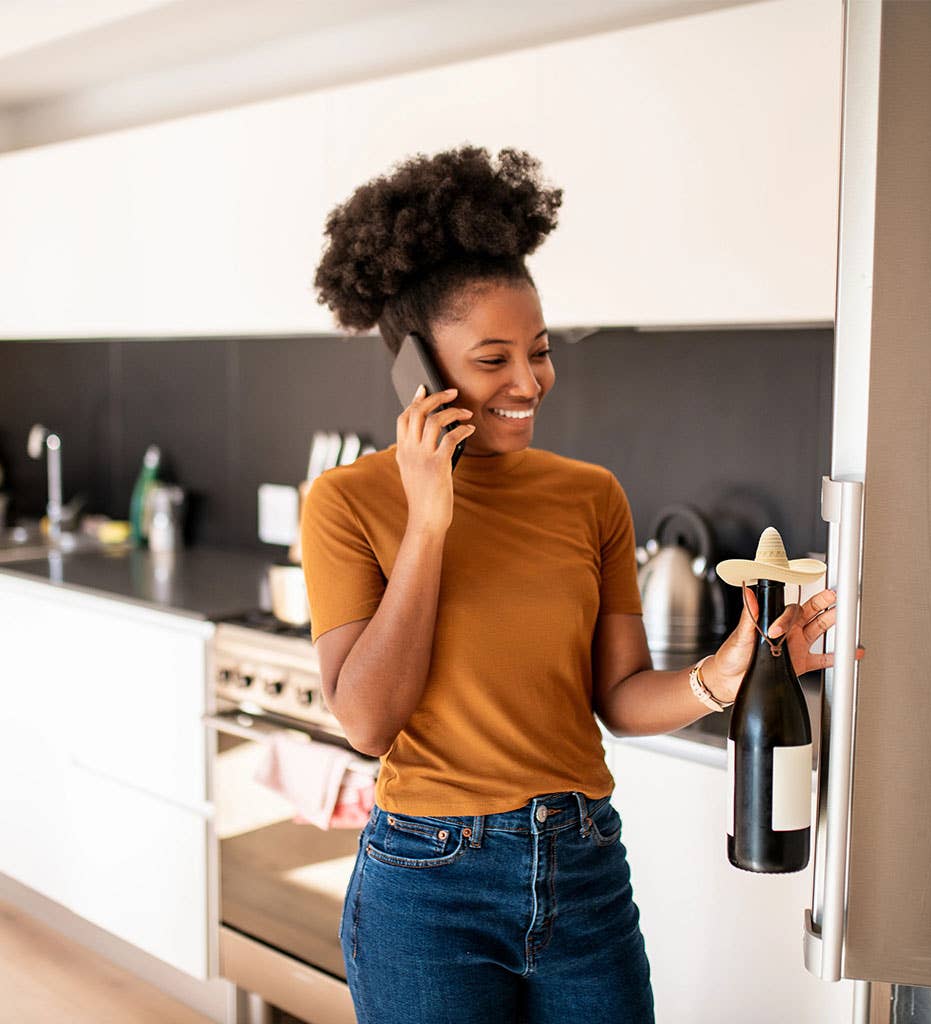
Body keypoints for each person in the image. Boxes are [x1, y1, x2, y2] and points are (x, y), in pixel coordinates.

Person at [301, 145, 843, 1023]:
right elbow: (366, 719)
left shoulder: (591, 495)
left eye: (540, 351)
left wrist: (725, 674)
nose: (530, 382)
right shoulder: (347, 503)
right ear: (419, 372)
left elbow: (620, 696)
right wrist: (431, 520)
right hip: (430, 889)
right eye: (492, 360)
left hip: (585, 868)